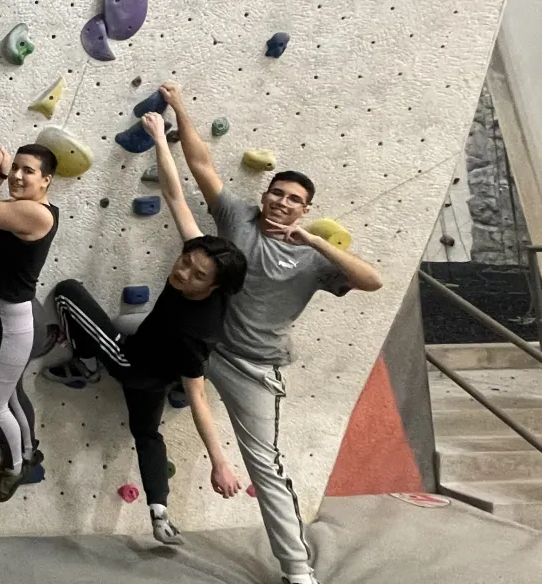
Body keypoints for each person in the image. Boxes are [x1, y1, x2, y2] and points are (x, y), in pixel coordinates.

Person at [166, 81, 384, 584]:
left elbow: (372, 281)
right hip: (202, 342)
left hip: (253, 369)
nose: (284, 203)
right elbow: (201, 166)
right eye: (278, 194)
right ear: (265, 195)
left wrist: (316, 242)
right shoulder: (237, 215)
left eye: (295, 200)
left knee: (265, 468)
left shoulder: (314, 259)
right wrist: (180, 106)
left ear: (305, 209)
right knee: (126, 331)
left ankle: (297, 569)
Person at [41, 112, 248, 546]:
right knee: (146, 432)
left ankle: (85, 363)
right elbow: (175, 198)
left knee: (67, 290)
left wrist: (220, 461)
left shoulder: (195, 335)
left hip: (131, 361)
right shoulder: (208, 268)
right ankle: (159, 512)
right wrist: (158, 138)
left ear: (212, 288)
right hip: (155, 361)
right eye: (185, 263)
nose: (182, 272)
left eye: (194, 276)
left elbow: (198, 398)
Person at [0, 141, 60, 503]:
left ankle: (15, 467)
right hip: (4, 319)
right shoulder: (24, 208)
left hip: (11, 323)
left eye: (28, 171)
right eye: (15, 168)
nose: (18, 176)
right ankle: (28, 450)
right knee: (11, 394)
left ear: (46, 180)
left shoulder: (37, 214)